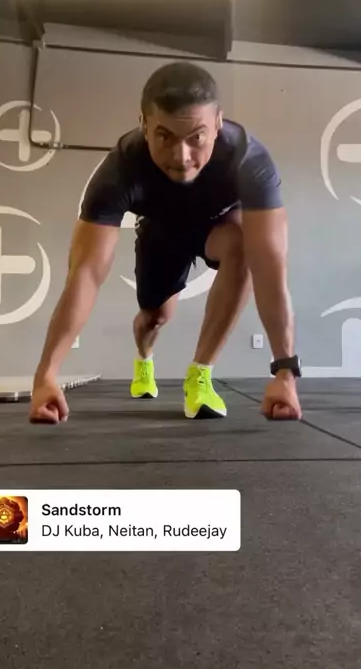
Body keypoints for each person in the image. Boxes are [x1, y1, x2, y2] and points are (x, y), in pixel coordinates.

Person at [29, 61, 302, 424]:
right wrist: (47, 374)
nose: (181, 156)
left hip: (217, 227)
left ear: (218, 123)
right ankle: (144, 359)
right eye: (165, 137)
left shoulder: (249, 160)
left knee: (243, 248)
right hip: (161, 233)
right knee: (155, 318)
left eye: (196, 138)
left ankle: (200, 375)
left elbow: (270, 266)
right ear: (144, 125)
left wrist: (285, 372)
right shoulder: (120, 171)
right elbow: (86, 274)